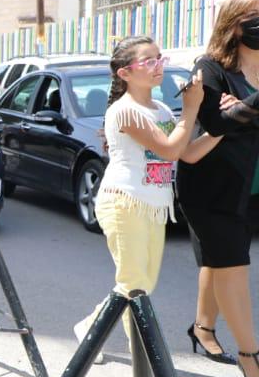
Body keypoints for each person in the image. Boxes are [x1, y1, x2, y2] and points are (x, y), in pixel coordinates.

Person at [73, 36, 216, 360]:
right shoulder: (124, 111)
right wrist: (190, 108)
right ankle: (145, 358)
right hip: (124, 202)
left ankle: (90, 328)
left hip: (153, 206)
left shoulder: (161, 109)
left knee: (140, 284)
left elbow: (187, 153)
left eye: (159, 58)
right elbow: (169, 149)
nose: (158, 66)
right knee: (134, 285)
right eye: (148, 61)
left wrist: (225, 126)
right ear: (125, 73)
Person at [177, 0, 259, 377]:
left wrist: (241, 110)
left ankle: (203, 328)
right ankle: (251, 356)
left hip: (249, 185)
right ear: (234, 24)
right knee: (233, 266)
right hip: (210, 186)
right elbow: (214, 124)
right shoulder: (210, 68)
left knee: (219, 260)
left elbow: (235, 120)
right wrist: (243, 111)